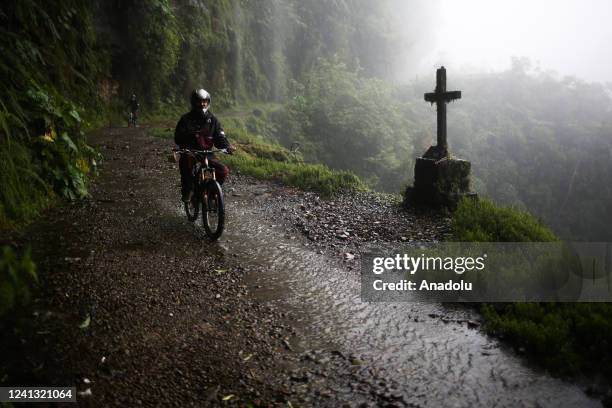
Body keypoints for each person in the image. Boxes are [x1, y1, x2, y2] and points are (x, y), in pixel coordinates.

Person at [174, 89, 235, 203]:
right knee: (186, 164)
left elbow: (219, 137)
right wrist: (189, 138)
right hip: (190, 152)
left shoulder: (213, 120)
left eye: (205, 101)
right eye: (199, 101)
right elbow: (178, 138)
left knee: (223, 170)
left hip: (207, 153)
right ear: (194, 102)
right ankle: (188, 190)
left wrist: (227, 146)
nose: (203, 104)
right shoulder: (186, 120)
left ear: (208, 102)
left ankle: (211, 192)